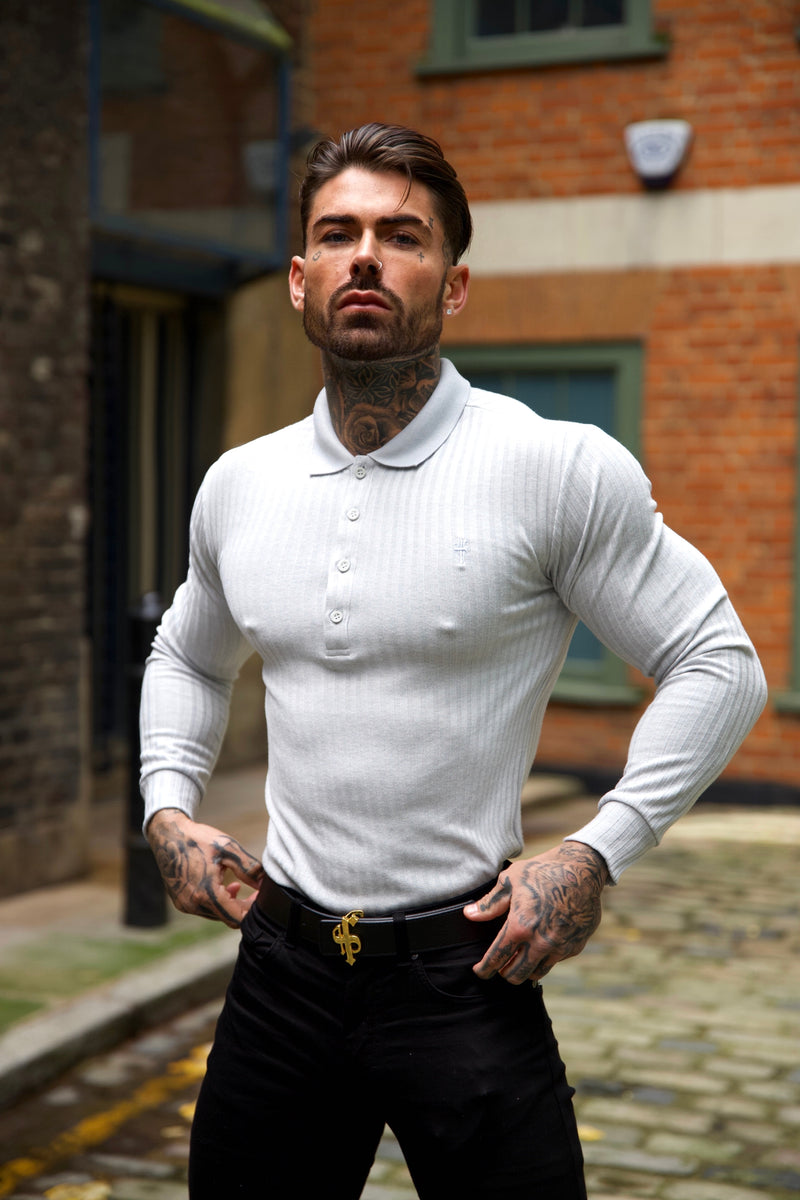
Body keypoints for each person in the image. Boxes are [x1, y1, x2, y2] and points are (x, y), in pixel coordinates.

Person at [140, 123, 767, 1199]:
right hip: (280, 973)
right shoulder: (239, 484)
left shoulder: (551, 467)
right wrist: (166, 806)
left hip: (465, 974)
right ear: (298, 279)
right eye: (337, 234)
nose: (365, 257)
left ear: (454, 283)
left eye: (402, 236)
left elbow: (717, 662)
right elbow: (189, 658)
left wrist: (593, 854)